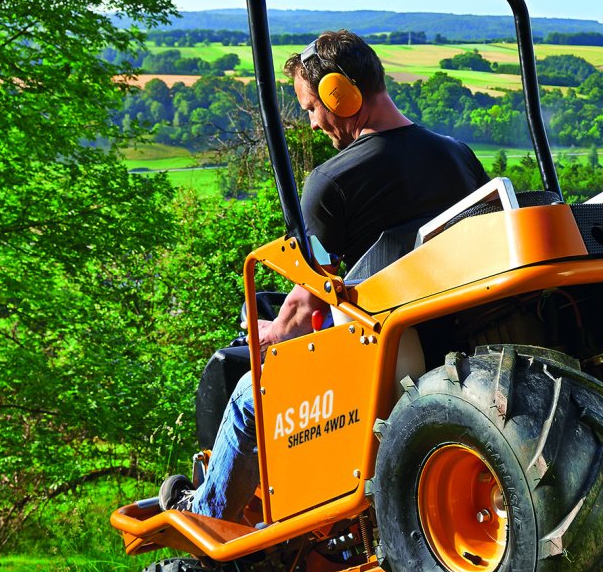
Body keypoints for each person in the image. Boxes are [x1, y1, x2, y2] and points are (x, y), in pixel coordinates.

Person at [160, 29, 489, 519]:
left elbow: (308, 301)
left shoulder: (332, 181)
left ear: (341, 93)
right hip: (459, 338)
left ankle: (206, 513)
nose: (313, 123)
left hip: (378, 360)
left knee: (251, 394)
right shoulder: (456, 154)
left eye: (312, 107)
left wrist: (272, 333)